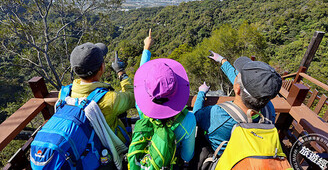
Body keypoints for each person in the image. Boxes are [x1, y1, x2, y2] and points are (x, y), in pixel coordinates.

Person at [192, 51, 281, 169]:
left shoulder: (218, 115)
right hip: (250, 157)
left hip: (223, 160)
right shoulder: (269, 109)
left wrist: (201, 93)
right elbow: (245, 85)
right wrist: (222, 61)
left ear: (237, 88)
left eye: (238, 75)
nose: (236, 75)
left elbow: (196, 116)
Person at [132, 29, 196, 164]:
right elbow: (187, 157)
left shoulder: (143, 109)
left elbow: (145, 82)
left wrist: (146, 49)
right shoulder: (188, 119)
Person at [62, 42, 135, 145]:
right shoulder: (110, 99)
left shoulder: (65, 93)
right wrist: (121, 72)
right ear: (102, 67)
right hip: (112, 150)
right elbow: (133, 97)